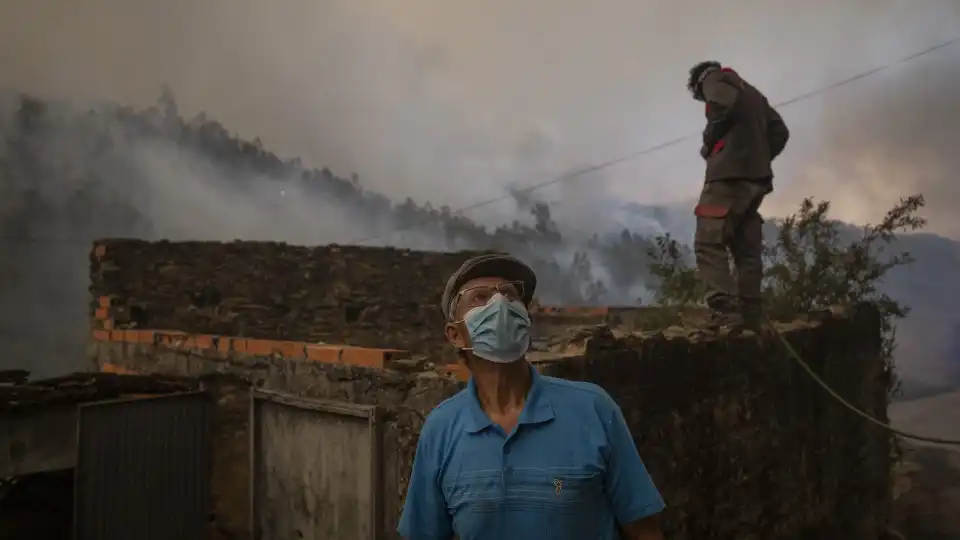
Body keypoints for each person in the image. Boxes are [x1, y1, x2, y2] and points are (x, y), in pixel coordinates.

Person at [398, 254, 666, 540]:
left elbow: (644, 531)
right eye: (480, 297)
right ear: (455, 335)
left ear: (525, 319)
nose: (499, 303)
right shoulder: (441, 428)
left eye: (509, 295)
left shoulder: (593, 409)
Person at [687, 60, 790, 328]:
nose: (703, 100)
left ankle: (725, 314)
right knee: (746, 246)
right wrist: (758, 159)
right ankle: (751, 315)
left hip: (727, 177)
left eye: (699, 97)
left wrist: (711, 143)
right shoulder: (753, 93)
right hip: (755, 181)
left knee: (709, 240)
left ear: (699, 83)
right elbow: (780, 131)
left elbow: (721, 104)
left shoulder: (714, 80)